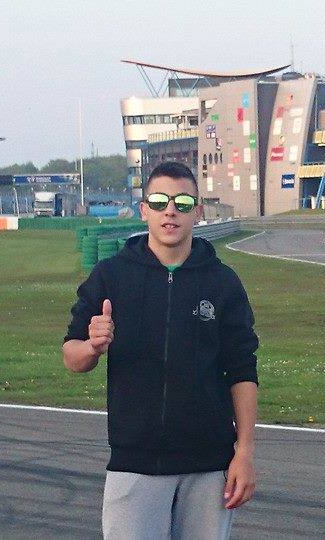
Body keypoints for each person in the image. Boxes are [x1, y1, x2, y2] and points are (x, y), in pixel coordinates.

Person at [62, 161, 259, 539]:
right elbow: (71, 356)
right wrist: (92, 347)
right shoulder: (111, 276)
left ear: (198, 212)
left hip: (208, 467)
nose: (170, 211)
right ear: (144, 210)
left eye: (182, 203)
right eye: (159, 201)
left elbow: (242, 371)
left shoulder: (223, 282)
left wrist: (245, 452)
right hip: (134, 464)